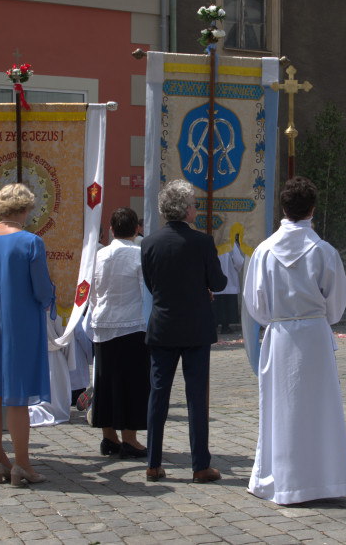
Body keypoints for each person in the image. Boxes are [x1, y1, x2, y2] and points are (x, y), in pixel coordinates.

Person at [242, 176, 346, 505]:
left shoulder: (263, 252)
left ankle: (281, 480)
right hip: (315, 339)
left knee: (281, 409)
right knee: (319, 409)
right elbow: (336, 306)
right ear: (312, 209)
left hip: (279, 337)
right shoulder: (324, 252)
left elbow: (255, 305)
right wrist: (314, 317)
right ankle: (324, 481)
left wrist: (279, 319)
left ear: (282, 208)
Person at [0, 182, 55, 486]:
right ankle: (23, 464)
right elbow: (42, 288)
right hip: (22, 324)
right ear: (26, 208)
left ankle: (0, 462)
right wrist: (49, 300)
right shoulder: (31, 242)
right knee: (17, 397)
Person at [140, 179, 227, 483]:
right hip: (195, 328)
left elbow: (151, 285)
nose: (196, 209)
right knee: (196, 398)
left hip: (163, 325)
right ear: (185, 209)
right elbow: (218, 283)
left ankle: (153, 462)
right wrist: (203, 287)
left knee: (158, 395)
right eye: (194, 205)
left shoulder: (149, 243)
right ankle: (199, 465)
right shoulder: (202, 242)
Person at [89, 207, 149, 461]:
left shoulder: (99, 255)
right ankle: (129, 438)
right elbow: (145, 291)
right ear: (136, 229)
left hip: (103, 323)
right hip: (132, 324)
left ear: (112, 229)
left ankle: (109, 436)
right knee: (132, 383)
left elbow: (92, 290)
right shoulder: (138, 255)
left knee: (105, 382)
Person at [211, 237, 244, 333]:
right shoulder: (230, 242)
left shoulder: (209, 241)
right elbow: (238, 260)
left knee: (215, 304)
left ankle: (214, 326)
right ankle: (225, 326)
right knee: (227, 304)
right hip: (229, 280)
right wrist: (236, 269)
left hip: (213, 279)